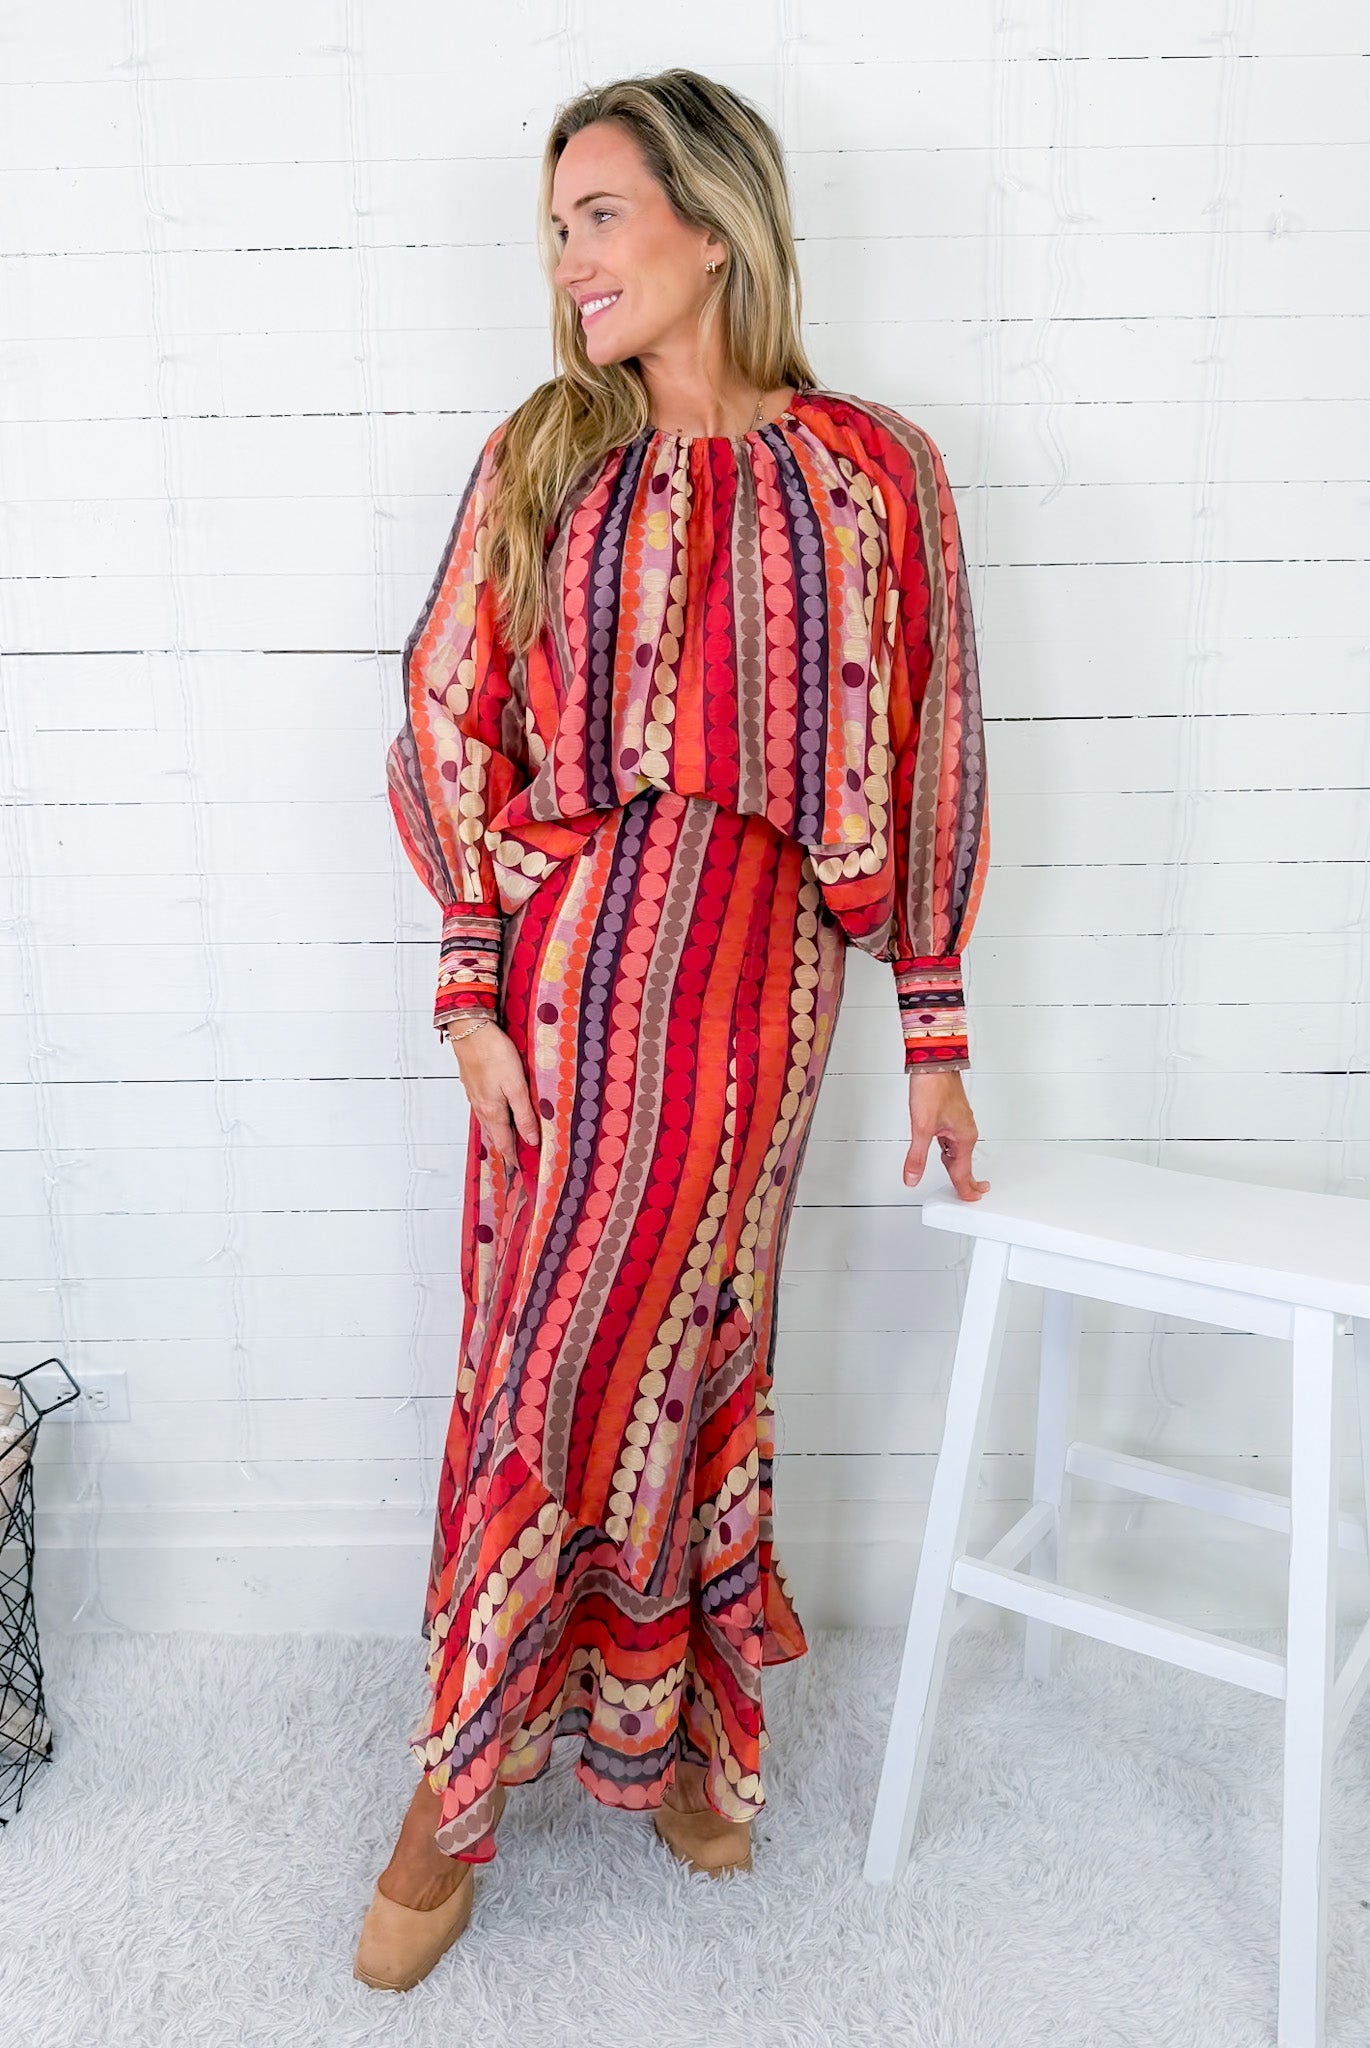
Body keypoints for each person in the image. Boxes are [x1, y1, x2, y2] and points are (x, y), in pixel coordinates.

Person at [353, 66, 990, 1992]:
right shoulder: (547, 456)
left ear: (715, 224)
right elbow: (446, 717)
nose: (569, 262)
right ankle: (453, 1791)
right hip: (575, 971)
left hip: (767, 986)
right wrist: (468, 980)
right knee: (548, 1371)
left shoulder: (873, 468)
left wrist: (937, 1028)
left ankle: (688, 1733)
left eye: (601, 215)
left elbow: (929, 738)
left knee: (706, 1344)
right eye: (553, 229)